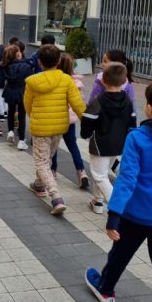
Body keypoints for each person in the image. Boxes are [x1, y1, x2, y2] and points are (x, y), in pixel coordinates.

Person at [85, 81, 152, 302]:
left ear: (150, 108)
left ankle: (106, 289)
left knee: (120, 253)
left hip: (136, 213)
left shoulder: (139, 138)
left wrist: (114, 214)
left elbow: (127, 179)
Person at [24, 44, 86, 215]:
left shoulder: (33, 82)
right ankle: (39, 184)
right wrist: (87, 121)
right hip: (60, 126)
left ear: (39, 62)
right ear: (59, 61)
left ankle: (56, 196)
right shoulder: (66, 80)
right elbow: (78, 104)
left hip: (40, 127)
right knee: (47, 158)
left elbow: (27, 104)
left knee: (42, 161)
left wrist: (34, 117)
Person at [81, 62, 137, 214]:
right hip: (119, 143)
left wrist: (84, 134)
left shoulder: (98, 101)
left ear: (103, 80)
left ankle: (117, 206)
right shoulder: (128, 101)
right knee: (104, 172)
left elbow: (88, 120)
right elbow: (132, 121)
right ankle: (98, 203)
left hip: (101, 144)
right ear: (124, 80)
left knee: (99, 175)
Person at [50, 53, 89, 189]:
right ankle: (82, 172)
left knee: (53, 146)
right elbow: (81, 101)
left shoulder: (55, 81)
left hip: (57, 118)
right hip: (70, 120)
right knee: (73, 145)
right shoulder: (76, 83)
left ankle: (53, 171)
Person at [0, 44, 31, 150]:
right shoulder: (26, 66)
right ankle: (21, 140)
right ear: (18, 54)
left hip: (10, 91)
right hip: (22, 92)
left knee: (11, 112)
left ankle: (10, 132)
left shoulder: (6, 66)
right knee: (22, 115)